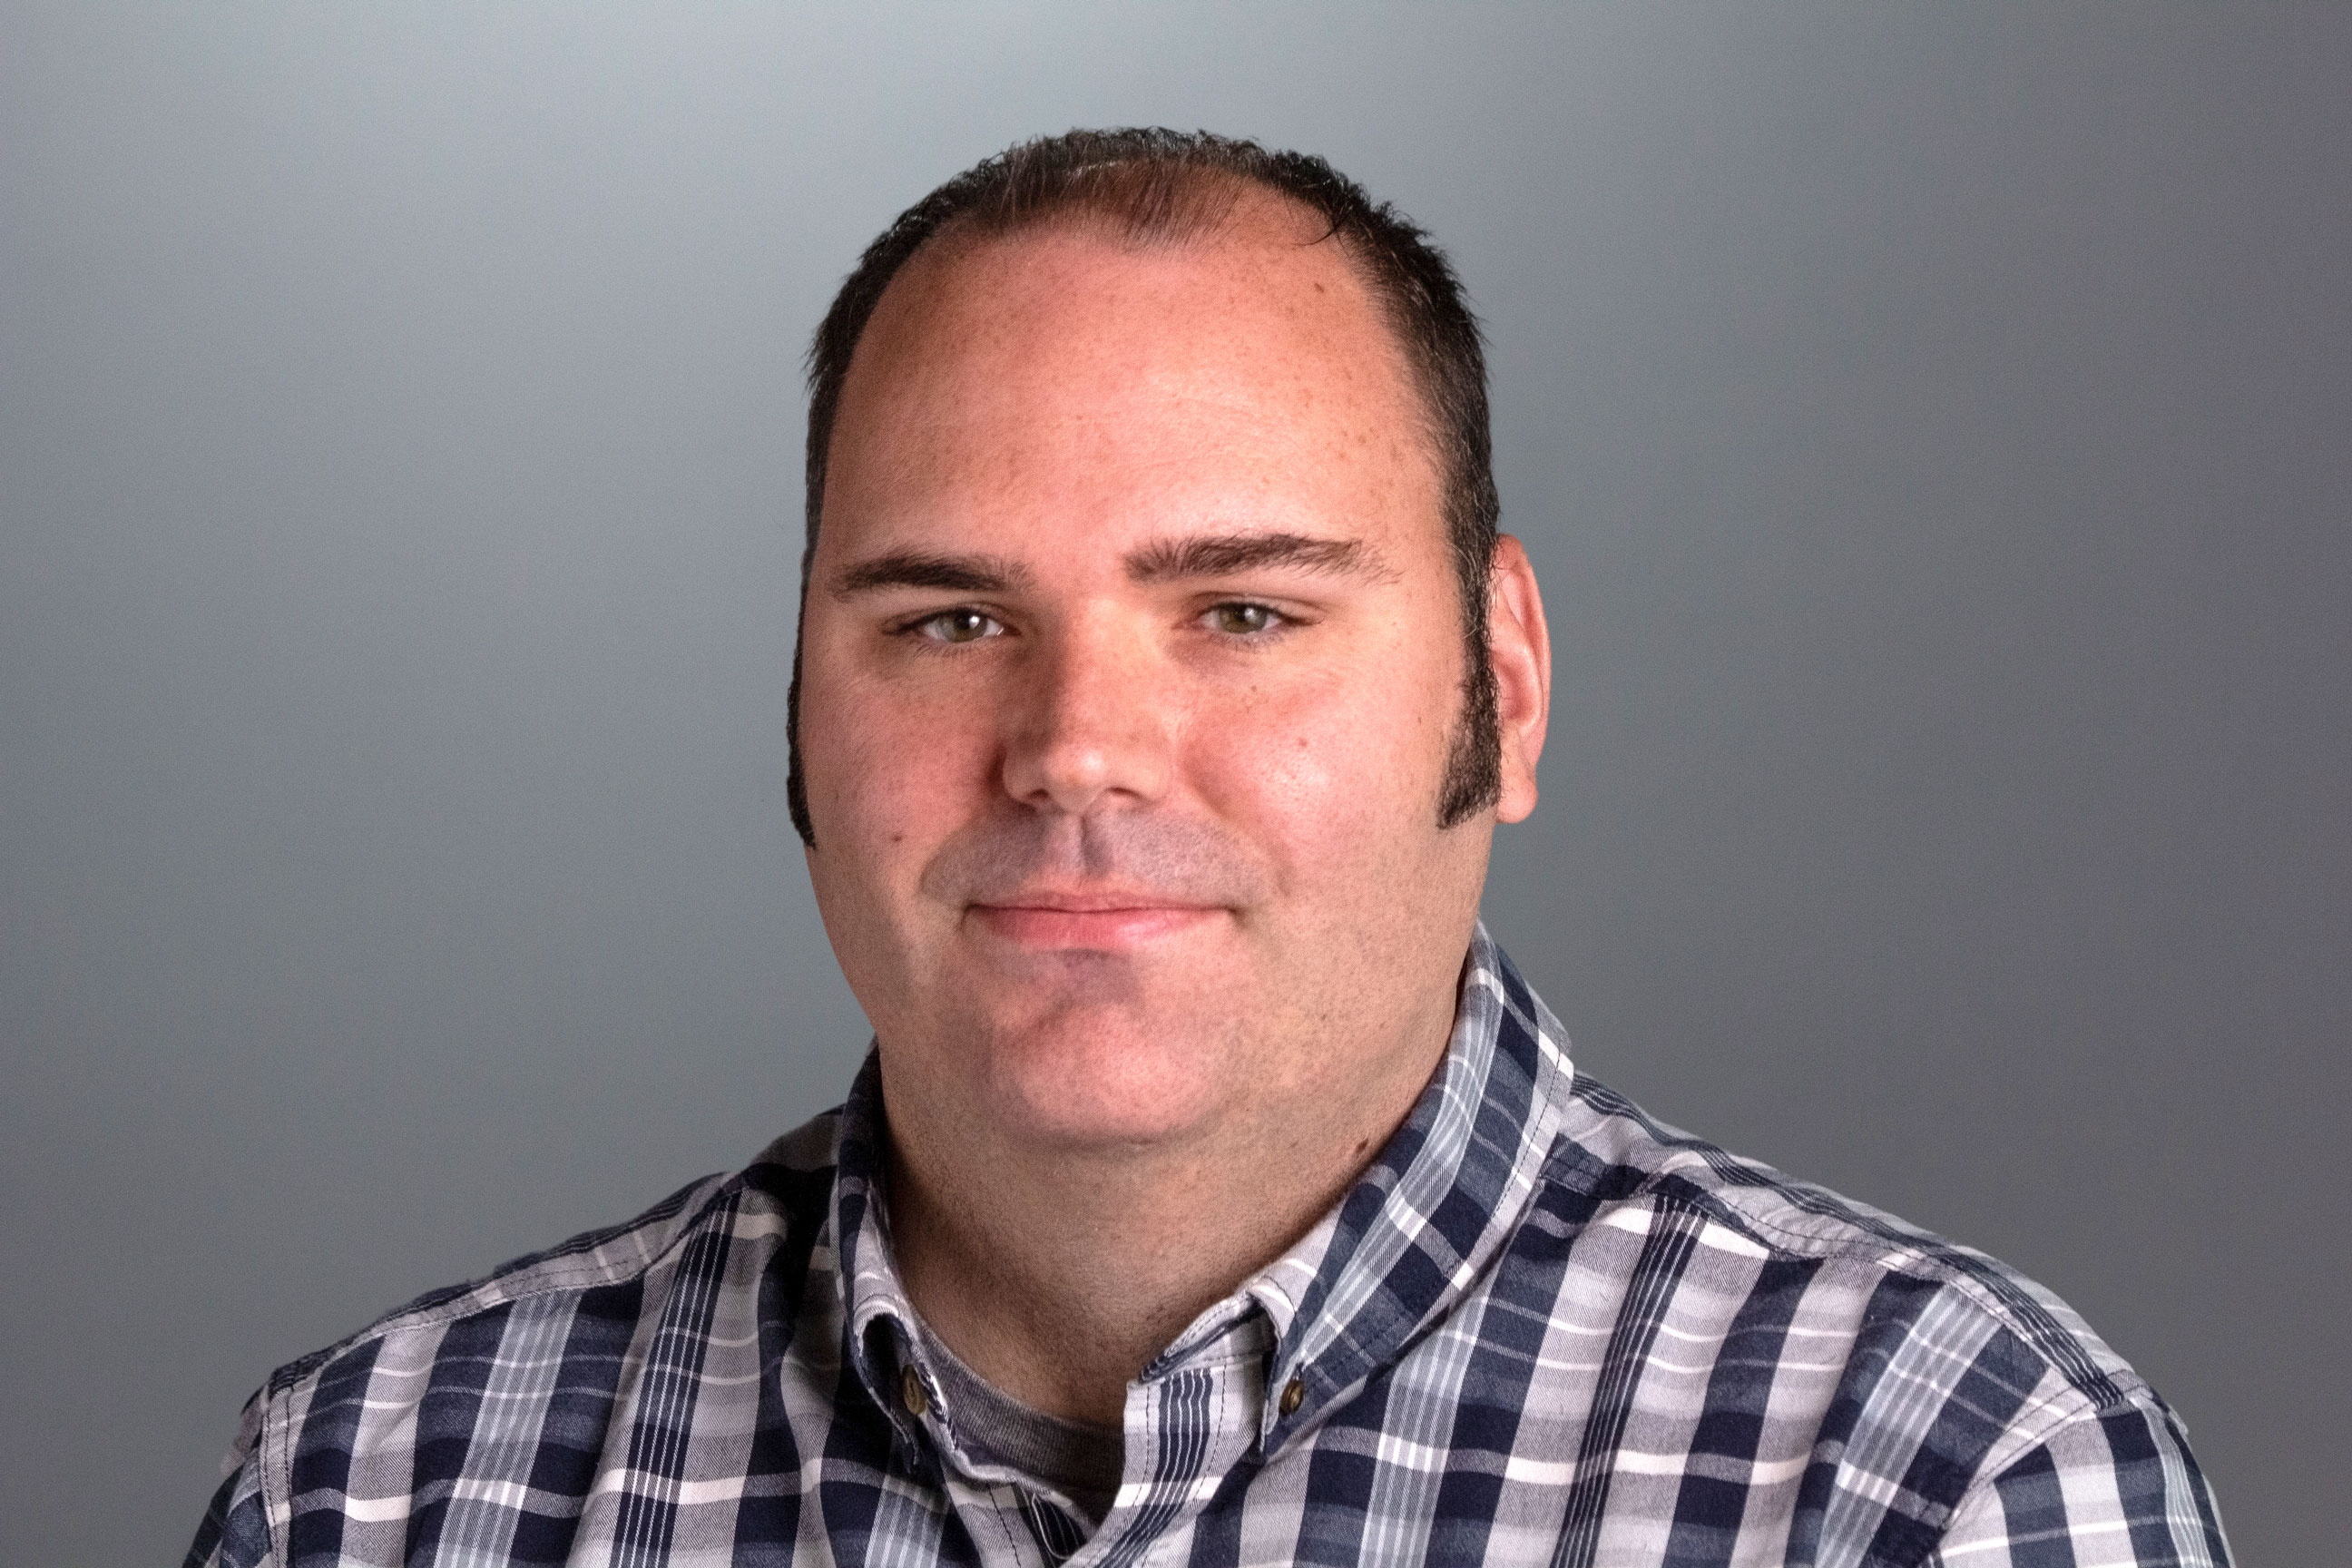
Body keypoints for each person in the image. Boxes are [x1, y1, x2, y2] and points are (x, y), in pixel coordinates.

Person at [186, 129, 2230, 1568]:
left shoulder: (1931, 1487)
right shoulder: (387, 1493)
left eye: (1243, 613)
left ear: (1503, 684)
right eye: (949, 622)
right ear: (797, 701)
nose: (1075, 749)